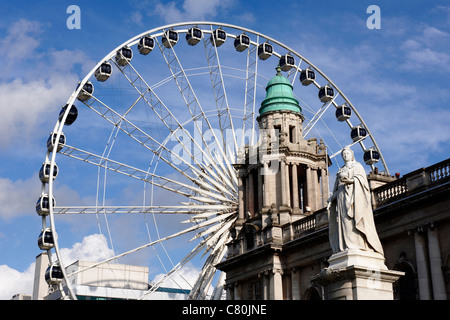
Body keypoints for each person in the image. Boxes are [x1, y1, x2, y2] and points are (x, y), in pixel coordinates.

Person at [327, 147, 384, 255]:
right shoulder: (341, 170)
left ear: (352, 155)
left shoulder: (357, 167)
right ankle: (346, 245)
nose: (345, 155)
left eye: (347, 153)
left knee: (352, 222)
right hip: (341, 201)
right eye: (343, 154)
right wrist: (332, 198)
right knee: (344, 224)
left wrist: (351, 181)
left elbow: (362, 181)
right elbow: (338, 188)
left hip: (353, 199)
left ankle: (356, 245)